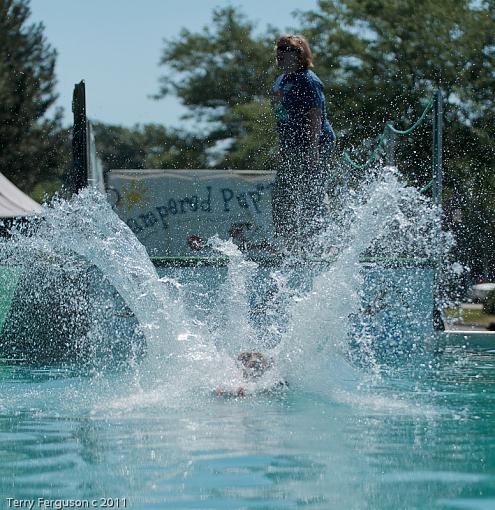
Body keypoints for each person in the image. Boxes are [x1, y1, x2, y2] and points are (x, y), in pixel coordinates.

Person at [270, 34, 336, 253]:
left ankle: (318, 246)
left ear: (299, 54)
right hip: (291, 148)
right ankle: (289, 246)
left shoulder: (308, 80)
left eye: (285, 48)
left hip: (314, 145)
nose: (280, 53)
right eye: (278, 48)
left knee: (312, 197)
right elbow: (281, 117)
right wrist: (283, 148)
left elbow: (315, 114)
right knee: (282, 198)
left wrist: (313, 148)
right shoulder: (281, 81)